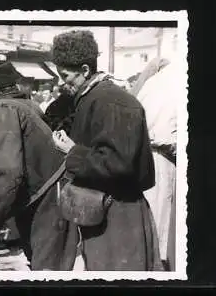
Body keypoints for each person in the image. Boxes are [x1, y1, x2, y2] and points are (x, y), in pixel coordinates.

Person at [50, 30, 163, 271]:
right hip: (103, 209)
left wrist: (72, 151)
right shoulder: (92, 97)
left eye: (65, 75)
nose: (61, 82)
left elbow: (118, 163)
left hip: (119, 214)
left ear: (85, 70)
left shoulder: (111, 102)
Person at [0, 62, 78, 270]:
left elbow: (10, 173)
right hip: (47, 191)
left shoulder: (1, 111)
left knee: (47, 267)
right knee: (44, 260)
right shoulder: (25, 105)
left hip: (47, 195)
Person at [136, 62, 179, 271]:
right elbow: (168, 135)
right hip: (163, 158)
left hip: (147, 153)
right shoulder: (174, 79)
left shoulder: (153, 82)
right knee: (161, 220)